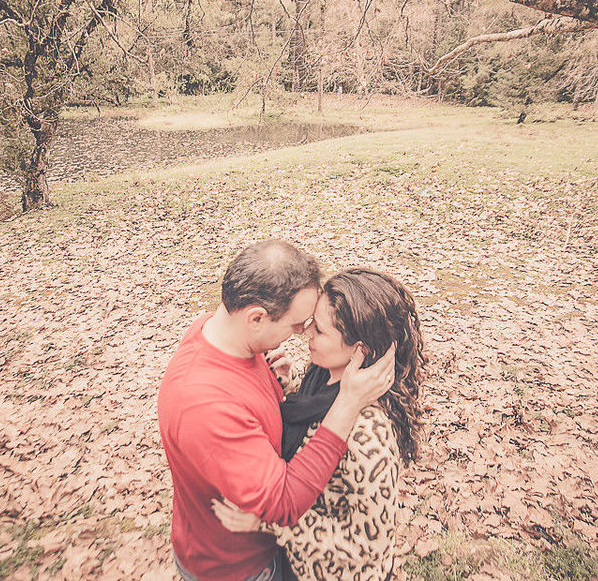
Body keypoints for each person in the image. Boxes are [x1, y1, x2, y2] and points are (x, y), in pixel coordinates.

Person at [158, 242, 396, 581]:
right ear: (255, 318)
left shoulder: (225, 336)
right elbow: (283, 502)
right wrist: (346, 403)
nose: (302, 332)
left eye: (313, 325)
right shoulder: (205, 405)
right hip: (238, 567)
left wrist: (280, 385)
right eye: (297, 323)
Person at [213, 268, 425, 581]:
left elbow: (367, 548)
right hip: (298, 563)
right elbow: (312, 422)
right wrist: (288, 385)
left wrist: (269, 523)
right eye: (312, 321)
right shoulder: (322, 373)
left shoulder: (368, 434)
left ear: (359, 350)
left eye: (321, 331)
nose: (307, 333)